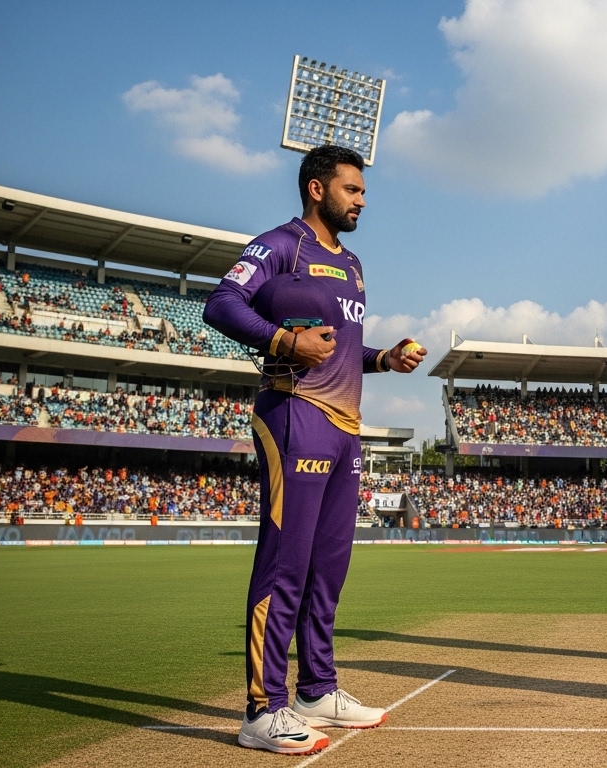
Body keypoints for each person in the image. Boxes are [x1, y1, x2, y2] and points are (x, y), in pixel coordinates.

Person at [203, 145, 428, 756]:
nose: (361, 201)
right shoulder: (279, 245)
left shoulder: (352, 264)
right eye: (352, 190)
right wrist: (281, 337)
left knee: (329, 565)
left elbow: (334, 348)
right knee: (286, 563)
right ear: (316, 189)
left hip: (345, 426)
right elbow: (219, 304)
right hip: (293, 413)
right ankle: (261, 708)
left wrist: (384, 358)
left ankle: (317, 689)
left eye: (362, 192)